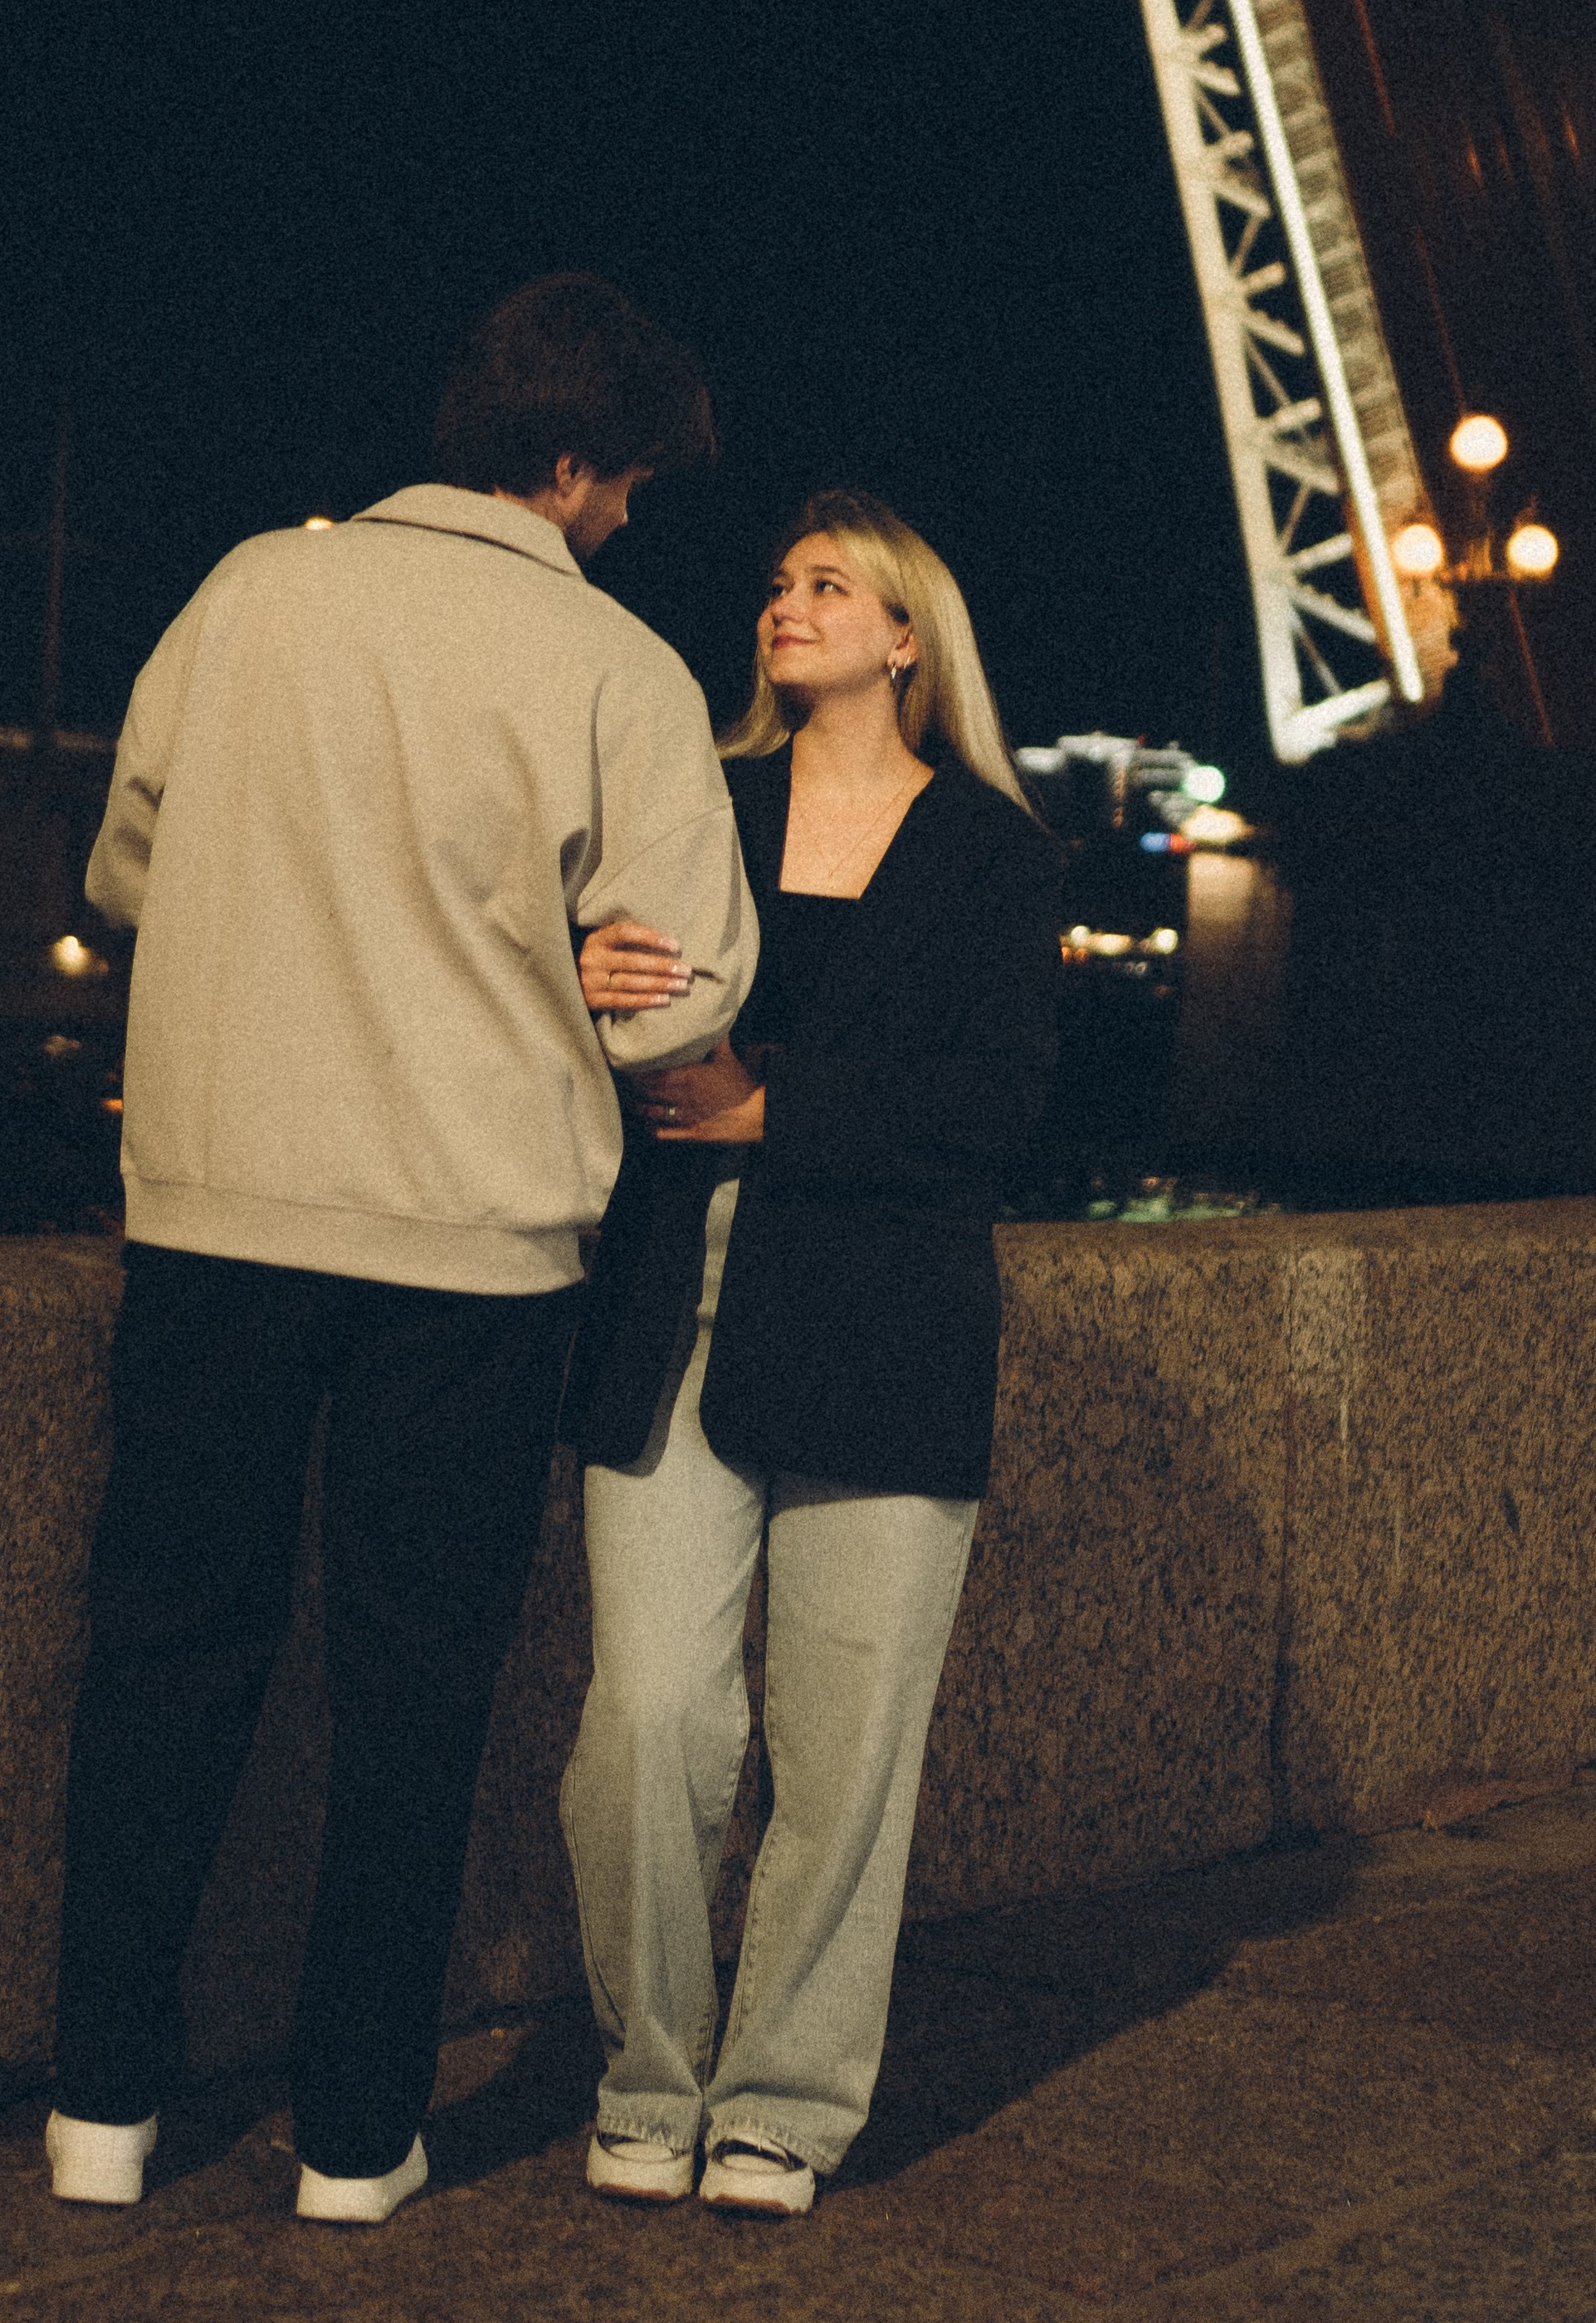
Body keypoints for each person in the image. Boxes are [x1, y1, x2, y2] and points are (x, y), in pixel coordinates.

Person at [45, 276, 758, 2226]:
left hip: (217, 1210)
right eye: (622, 484)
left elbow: (126, 863)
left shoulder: (251, 588)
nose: (625, 519)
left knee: (166, 1652)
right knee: (412, 1692)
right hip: (475, 1246)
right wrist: (579, 973)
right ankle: (355, 2135)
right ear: (567, 464)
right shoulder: (612, 667)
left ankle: (101, 2105)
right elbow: (680, 988)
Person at [559, 490, 1061, 2217]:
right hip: (666, 1313)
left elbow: (1000, 1101)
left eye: (827, 585)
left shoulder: (995, 852)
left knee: (846, 1749)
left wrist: (774, 1107)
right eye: (777, 582)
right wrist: (583, 969)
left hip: (880, 1319)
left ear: (906, 638)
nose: (786, 603)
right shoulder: (699, 796)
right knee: (647, 1721)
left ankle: (779, 2102)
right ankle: (645, 2069)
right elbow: (594, 1003)